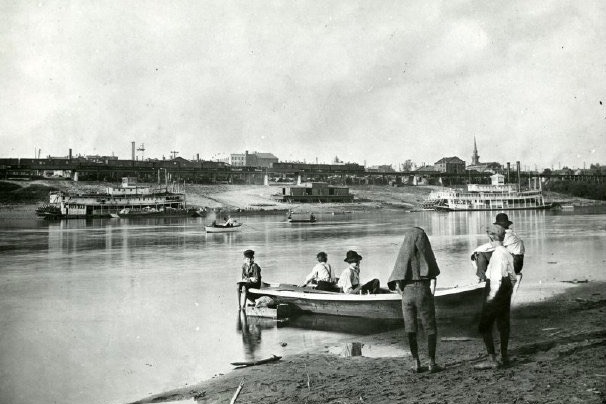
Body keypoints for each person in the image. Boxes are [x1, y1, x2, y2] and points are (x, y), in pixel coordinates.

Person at [387, 227, 441, 373]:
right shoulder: (425, 250)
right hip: (422, 289)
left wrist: (403, 293)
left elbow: (396, 281)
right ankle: (432, 362)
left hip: (407, 293)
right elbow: (433, 273)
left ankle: (416, 362)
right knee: (430, 327)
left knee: (410, 328)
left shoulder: (403, 254)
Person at [475, 224, 517, 369]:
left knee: (485, 325)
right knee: (503, 323)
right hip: (506, 287)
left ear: (491, 237)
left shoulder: (497, 254)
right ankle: (504, 356)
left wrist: (491, 296)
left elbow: (496, 278)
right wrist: (509, 291)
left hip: (495, 287)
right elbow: (513, 277)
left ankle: (492, 358)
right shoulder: (507, 252)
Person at [471, 213, 525, 281]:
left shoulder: (506, 234)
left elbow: (494, 246)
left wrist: (475, 251)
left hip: (513, 264)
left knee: (481, 255)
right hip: (517, 264)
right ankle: (486, 277)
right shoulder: (512, 234)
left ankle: (483, 279)